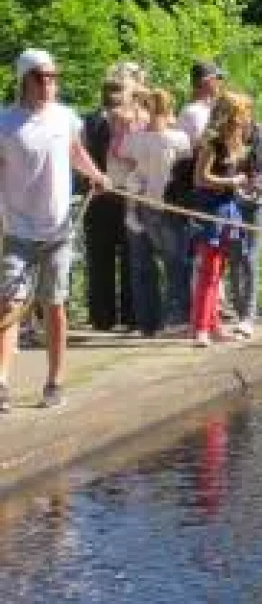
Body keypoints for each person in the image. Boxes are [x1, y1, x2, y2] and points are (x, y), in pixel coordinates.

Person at [0, 50, 110, 411]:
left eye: (52, 76)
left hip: (59, 229)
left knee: (54, 304)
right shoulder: (5, 122)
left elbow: (75, 152)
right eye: (41, 76)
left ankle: (55, 381)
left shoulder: (65, 117)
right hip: (18, 228)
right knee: (9, 304)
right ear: (24, 80)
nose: (48, 83)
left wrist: (96, 175)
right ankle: (1, 382)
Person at [120, 88, 191, 336]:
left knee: (143, 266)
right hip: (166, 206)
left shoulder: (134, 139)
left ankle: (147, 322)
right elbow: (184, 170)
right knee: (175, 265)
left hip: (141, 205)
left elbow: (128, 164)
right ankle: (176, 318)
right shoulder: (179, 138)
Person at [191, 91, 256, 347]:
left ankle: (214, 325)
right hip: (210, 212)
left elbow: (232, 180)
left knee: (218, 272)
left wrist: (243, 187)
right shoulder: (213, 141)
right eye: (244, 113)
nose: (248, 118)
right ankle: (200, 328)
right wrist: (231, 181)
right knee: (209, 271)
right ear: (233, 115)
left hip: (228, 209)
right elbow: (200, 179)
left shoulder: (235, 142)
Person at [81, 76, 137, 331]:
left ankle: (128, 314)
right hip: (99, 197)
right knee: (101, 258)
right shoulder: (90, 122)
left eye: (119, 90)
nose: (115, 95)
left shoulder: (133, 120)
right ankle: (104, 316)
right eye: (112, 90)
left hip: (126, 196)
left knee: (128, 257)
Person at [228, 100, 262, 339]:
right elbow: (225, 168)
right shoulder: (228, 136)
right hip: (234, 202)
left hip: (258, 202)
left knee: (251, 257)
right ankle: (239, 312)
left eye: (240, 114)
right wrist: (236, 188)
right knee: (235, 256)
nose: (237, 119)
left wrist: (251, 187)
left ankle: (249, 316)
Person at [178, 60, 225, 143]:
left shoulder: (210, 108)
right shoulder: (192, 112)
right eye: (218, 78)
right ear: (206, 81)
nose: (220, 82)